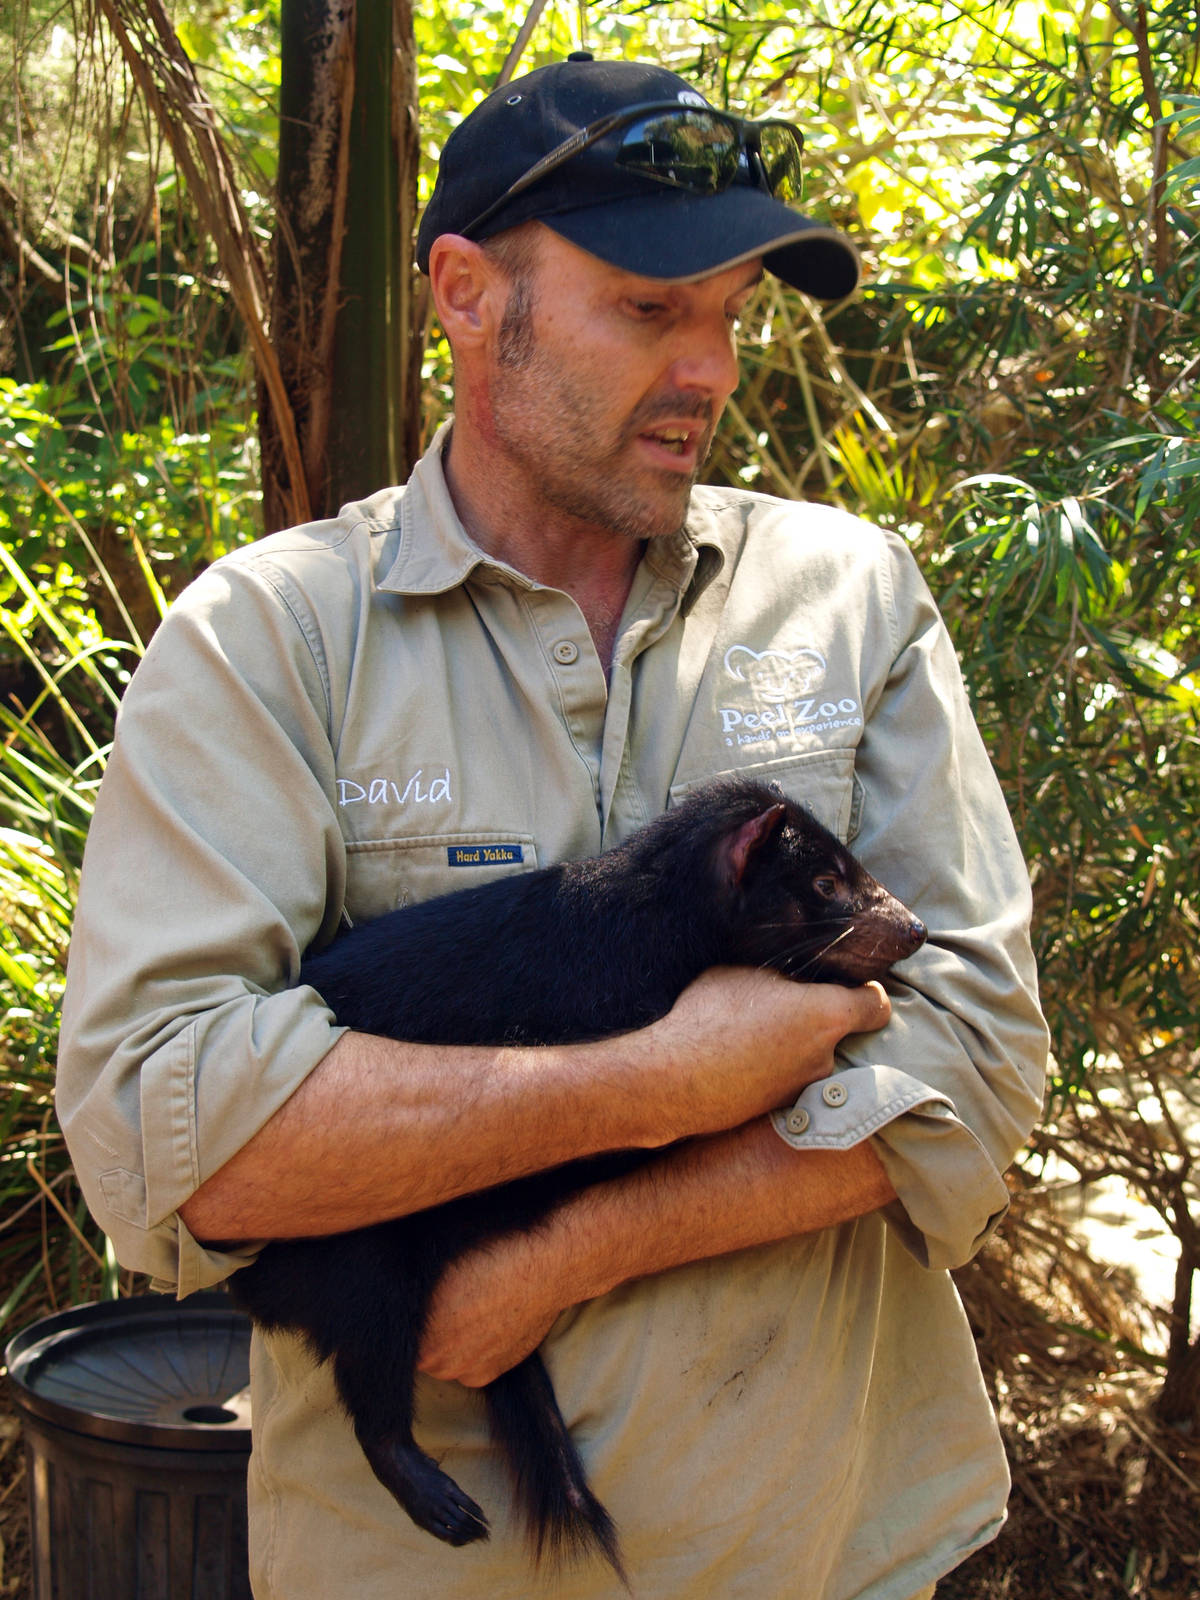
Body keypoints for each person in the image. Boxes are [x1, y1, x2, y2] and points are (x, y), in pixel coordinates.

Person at [57, 53, 1049, 1600]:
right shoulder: (273, 644)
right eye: (650, 310)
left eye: (729, 313)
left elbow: (978, 1055)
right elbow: (164, 1134)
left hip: (826, 1552)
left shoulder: (849, 601)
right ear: (464, 295)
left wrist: (568, 1247)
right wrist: (661, 1079)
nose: (710, 368)